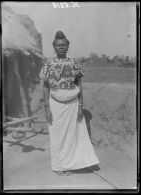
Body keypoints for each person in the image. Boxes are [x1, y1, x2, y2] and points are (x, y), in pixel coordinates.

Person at [39, 31, 99, 176]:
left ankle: (70, 165)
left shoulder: (73, 63)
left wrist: (80, 105)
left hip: (73, 104)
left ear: (68, 46)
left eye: (64, 45)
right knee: (57, 136)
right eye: (58, 45)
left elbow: (79, 84)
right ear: (54, 47)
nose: (61, 47)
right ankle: (59, 166)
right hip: (56, 105)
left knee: (72, 136)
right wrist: (47, 108)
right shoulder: (49, 63)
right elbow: (46, 86)